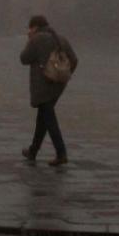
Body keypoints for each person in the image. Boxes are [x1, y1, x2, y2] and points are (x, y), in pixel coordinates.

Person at [19, 14, 78, 166]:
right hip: (58, 85)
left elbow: (24, 58)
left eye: (30, 28)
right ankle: (33, 151)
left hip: (42, 84)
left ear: (35, 27)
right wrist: (62, 75)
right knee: (43, 117)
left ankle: (61, 153)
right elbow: (74, 60)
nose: (28, 31)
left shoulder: (37, 39)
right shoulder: (61, 39)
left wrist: (30, 40)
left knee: (49, 119)